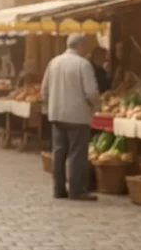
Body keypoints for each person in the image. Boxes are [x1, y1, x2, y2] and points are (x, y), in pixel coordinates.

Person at [41, 33, 100, 201]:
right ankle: (76, 190)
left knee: (59, 152)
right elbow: (91, 92)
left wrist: (50, 105)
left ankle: (58, 189)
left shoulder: (54, 62)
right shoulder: (83, 64)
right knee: (77, 153)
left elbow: (44, 89)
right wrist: (96, 105)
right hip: (77, 115)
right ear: (80, 46)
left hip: (57, 114)